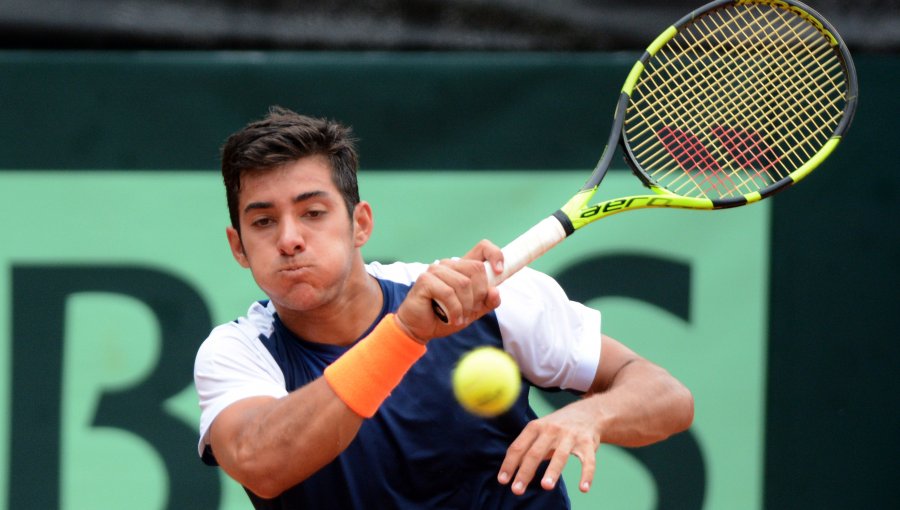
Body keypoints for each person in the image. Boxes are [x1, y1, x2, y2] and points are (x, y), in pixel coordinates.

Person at [194, 106, 694, 509]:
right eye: (263, 222)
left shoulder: (489, 300)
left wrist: (592, 417)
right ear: (239, 247)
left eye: (313, 213)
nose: (289, 239)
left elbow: (668, 397)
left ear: (360, 224)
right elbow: (262, 462)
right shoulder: (238, 353)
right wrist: (405, 334)